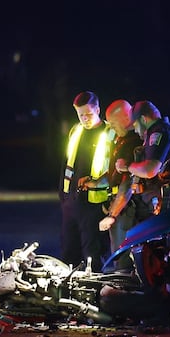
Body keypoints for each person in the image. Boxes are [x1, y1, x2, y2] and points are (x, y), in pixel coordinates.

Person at [59, 91, 114, 271]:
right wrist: (63, 194)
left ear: (98, 109)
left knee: (93, 253)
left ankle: (95, 294)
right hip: (72, 200)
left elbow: (113, 170)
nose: (85, 119)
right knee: (68, 250)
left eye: (89, 114)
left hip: (96, 203)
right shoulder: (76, 131)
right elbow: (67, 163)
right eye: (80, 115)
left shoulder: (109, 133)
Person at [120, 100, 170, 218]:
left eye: (135, 125)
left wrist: (127, 166)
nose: (135, 130)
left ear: (143, 119)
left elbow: (150, 170)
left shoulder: (158, 133)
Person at [98, 100, 143, 271]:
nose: (111, 127)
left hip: (126, 210)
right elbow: (115, 176)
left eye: (113, 123)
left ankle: (123, 293)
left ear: (126, 118)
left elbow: (127, 184)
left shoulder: (133, 143)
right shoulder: (121, 140)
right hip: (120, 207)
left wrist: (112, 215)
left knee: (122, 257)